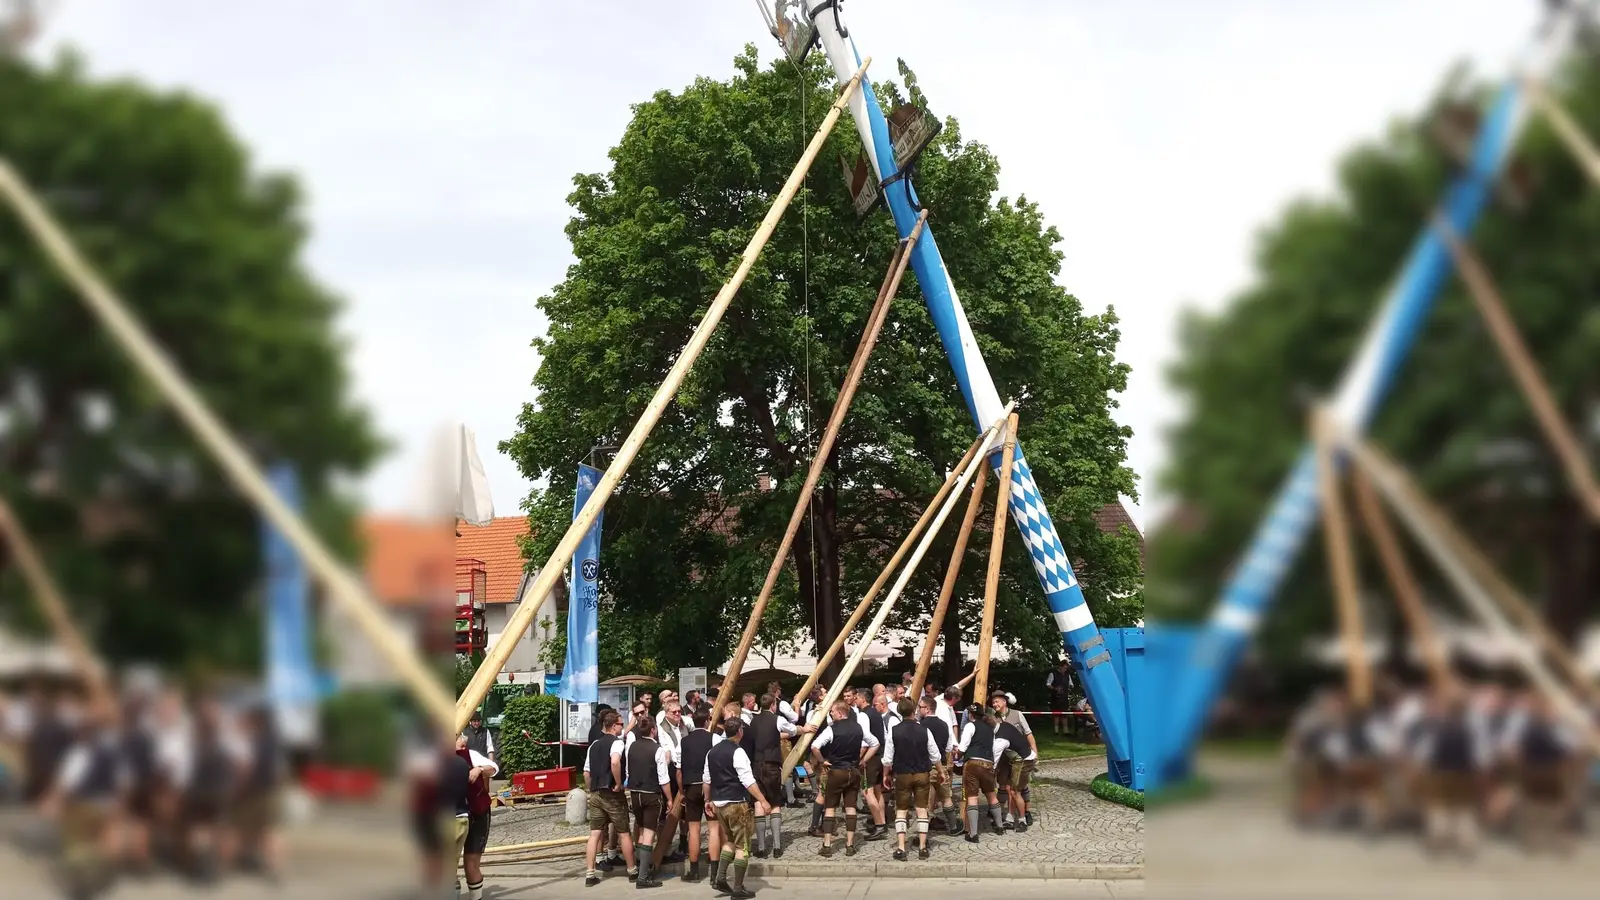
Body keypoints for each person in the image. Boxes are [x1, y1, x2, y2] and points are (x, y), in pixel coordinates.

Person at [703, 718, 766, 899]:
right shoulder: (738, 752)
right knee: (742, 846)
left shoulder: (712, 752)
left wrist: (707, 800)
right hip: (737, 803)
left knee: (730, 841)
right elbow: (747, 780)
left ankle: (720, 878)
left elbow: (706, 779)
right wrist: (762, 800)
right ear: (739, 731)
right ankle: (738, 888)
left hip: (719, 804)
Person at [810, 700, 879, 857]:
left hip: (836, 771)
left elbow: (815, 746)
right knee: (850, 807)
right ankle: (850, 844)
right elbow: (875, 744)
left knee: (830, 808)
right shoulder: (858, 728)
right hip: (853, 771)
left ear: (840, 713)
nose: (831, 714)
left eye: (833, 711)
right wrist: (863, 761)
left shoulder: (831, 729)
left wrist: (822, 761)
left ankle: (827, 845)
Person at [742, 693, 803, 858]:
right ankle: (777, 847)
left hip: (756, 765)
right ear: (773, 705)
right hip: (772, 765)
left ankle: (761, 848)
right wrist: (803, 729)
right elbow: (792, 730)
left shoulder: (753, 721)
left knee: (758, 804)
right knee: (775, 803)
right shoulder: (777, 719)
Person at [583, 710, 639, 886]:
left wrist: (591, 788)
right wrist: (618, 783)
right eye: (621, 724)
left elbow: (586, 773)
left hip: (596, 793)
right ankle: (632, 871)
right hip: (612, 794)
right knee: (624, 832)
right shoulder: (617, 743)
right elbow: (615, 762)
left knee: (595, 833)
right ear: (613, 726)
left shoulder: (594, 745)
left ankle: (590, 874)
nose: (622, 727)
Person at [883, 698, 941, 860]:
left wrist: (885, 775)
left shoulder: (894, 731)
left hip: (902, 774)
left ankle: (901, 847)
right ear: (913, 711)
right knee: (922, 809)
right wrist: (941, 771)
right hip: (922, 773)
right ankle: (922, 847)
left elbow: (887, 759)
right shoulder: (924, 730)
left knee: (901, 810)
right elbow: (935, 754)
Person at [673, 708, 721, 883]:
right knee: (714, 828)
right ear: (707, 720)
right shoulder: (715, 738)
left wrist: (681, 791)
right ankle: (715, 873)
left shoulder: (683, 742)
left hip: (691, 786)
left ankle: (694, 871)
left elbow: (678, 771)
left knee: (693, 830)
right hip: (710, 786)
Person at [623, 717, 669, 889]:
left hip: (635, 793)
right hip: (651, 794)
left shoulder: (632, 747)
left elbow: (628, 771)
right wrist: (670, 798)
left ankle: (642, 866)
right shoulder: (657, 749)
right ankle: (643, 877)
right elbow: (663, 779)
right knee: (649, 835)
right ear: (653, 730)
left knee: (642, 831)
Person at [955, 704, 1009, 842]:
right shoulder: (990, 729)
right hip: (988, 764)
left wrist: (956, 756)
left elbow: (963, 747)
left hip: (973, 763)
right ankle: (999, 826)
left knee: (972, 796)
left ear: (971, 714)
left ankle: (973, 834)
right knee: (991, 794)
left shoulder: (970, 726)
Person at [454, 731, 498, 900]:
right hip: (453, 816)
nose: (462, 743)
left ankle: (476, 897)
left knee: (471, 863)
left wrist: (479, 769)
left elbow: (493, 769)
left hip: (477, 813)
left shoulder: (469, 755)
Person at [650, 700, 692, 869]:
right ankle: (664, 845)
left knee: (686, 811)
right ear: (666, 713)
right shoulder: (662, 728)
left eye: (679, 711)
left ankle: (684, 840)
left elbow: (693, 724)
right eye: (674, 712)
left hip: (686, 766)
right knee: (670, 809)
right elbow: (670, 751)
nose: (677, 714)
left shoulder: (684, 723)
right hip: (673, 769)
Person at [991, 690, 1039, 830]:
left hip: (1020, 756)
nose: (994, 704)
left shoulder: (1017, 714)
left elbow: (1028, 733)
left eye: (997, 701)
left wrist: (1035, 752)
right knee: (1006, 786)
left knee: (1019, 787)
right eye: (993, 702)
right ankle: (1009, 816)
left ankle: (1025, 814)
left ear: (1004, 701)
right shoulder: (993, 718)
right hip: (1005, 757)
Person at [917, 696, 963, 835]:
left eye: (920, 707)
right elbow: (948, 747)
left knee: (925, 802)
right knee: (946, 798)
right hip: (941, 767)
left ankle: (923, 834)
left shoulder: (920, 726)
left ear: (927, 709)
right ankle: (954, 827)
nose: (918, 710)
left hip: (925, 767)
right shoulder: (944, 725)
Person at [1046, 660, 1072, 735]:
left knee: (1064, 714)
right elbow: (1048, 684)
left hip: (1064, 697)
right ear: (1060, 667)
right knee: (1056, 714)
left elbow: (1071, 684)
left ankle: (1066, 731)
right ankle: (1056, 731)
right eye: (1064, 668)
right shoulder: (1053, 674)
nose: (1065, 670)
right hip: (1056, 697)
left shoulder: (1067, 675)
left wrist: (1070, 688)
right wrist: (1055, 689)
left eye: (1066, 668)